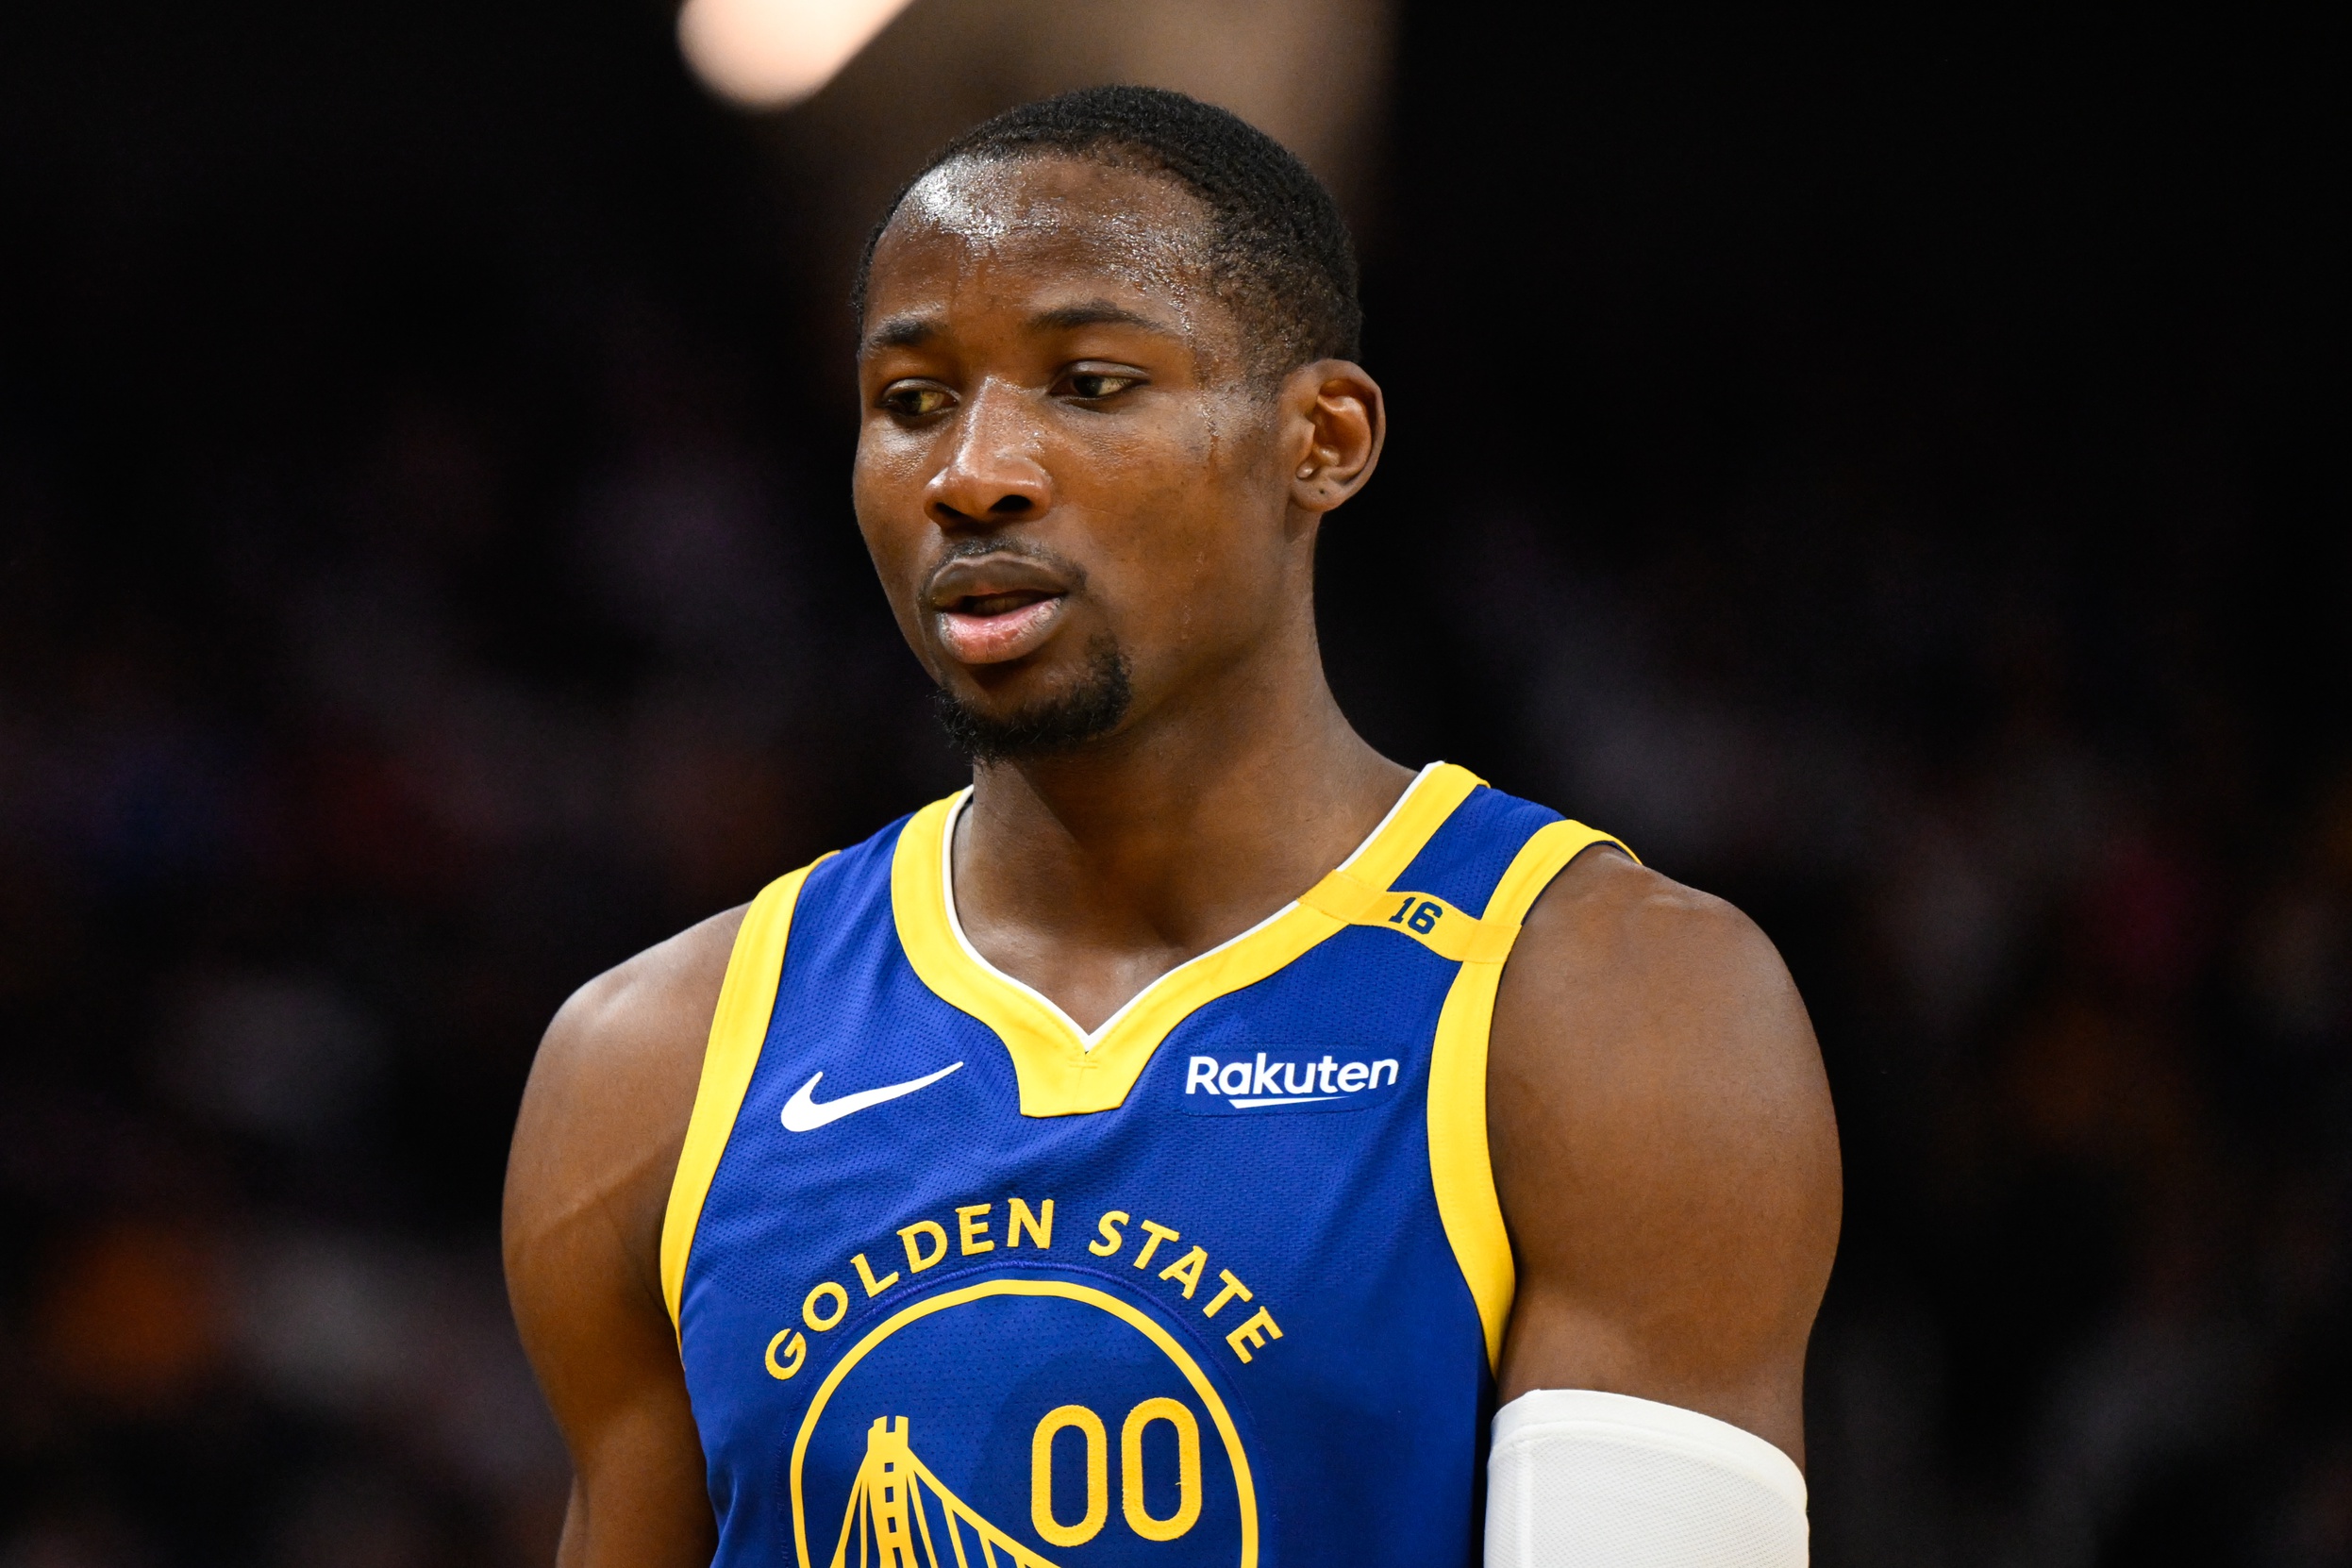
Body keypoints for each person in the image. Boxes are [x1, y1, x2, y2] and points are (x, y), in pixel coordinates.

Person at [504, 85, 1841, 1568]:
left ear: (1321, 438)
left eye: (1087, 382)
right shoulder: (652, 1067)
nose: (973, 472)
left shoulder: (1610, 1007)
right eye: (912, 402)